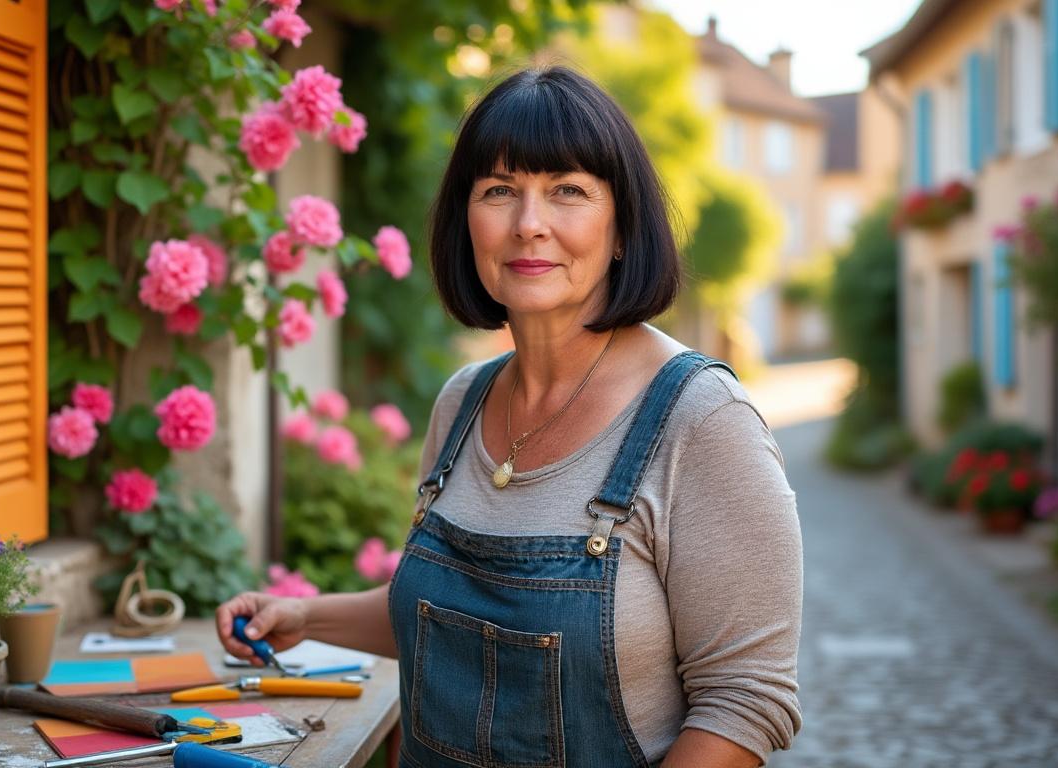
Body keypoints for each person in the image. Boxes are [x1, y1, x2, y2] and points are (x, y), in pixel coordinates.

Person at [217, 66, 802, 767]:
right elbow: (457, 614)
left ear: (622, 229)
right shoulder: (462, 403)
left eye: (568, 192)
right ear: (468, 222)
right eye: (499, 191)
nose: (529, 225)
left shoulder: (703, 421)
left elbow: (744, 703)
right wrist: (307, 617)